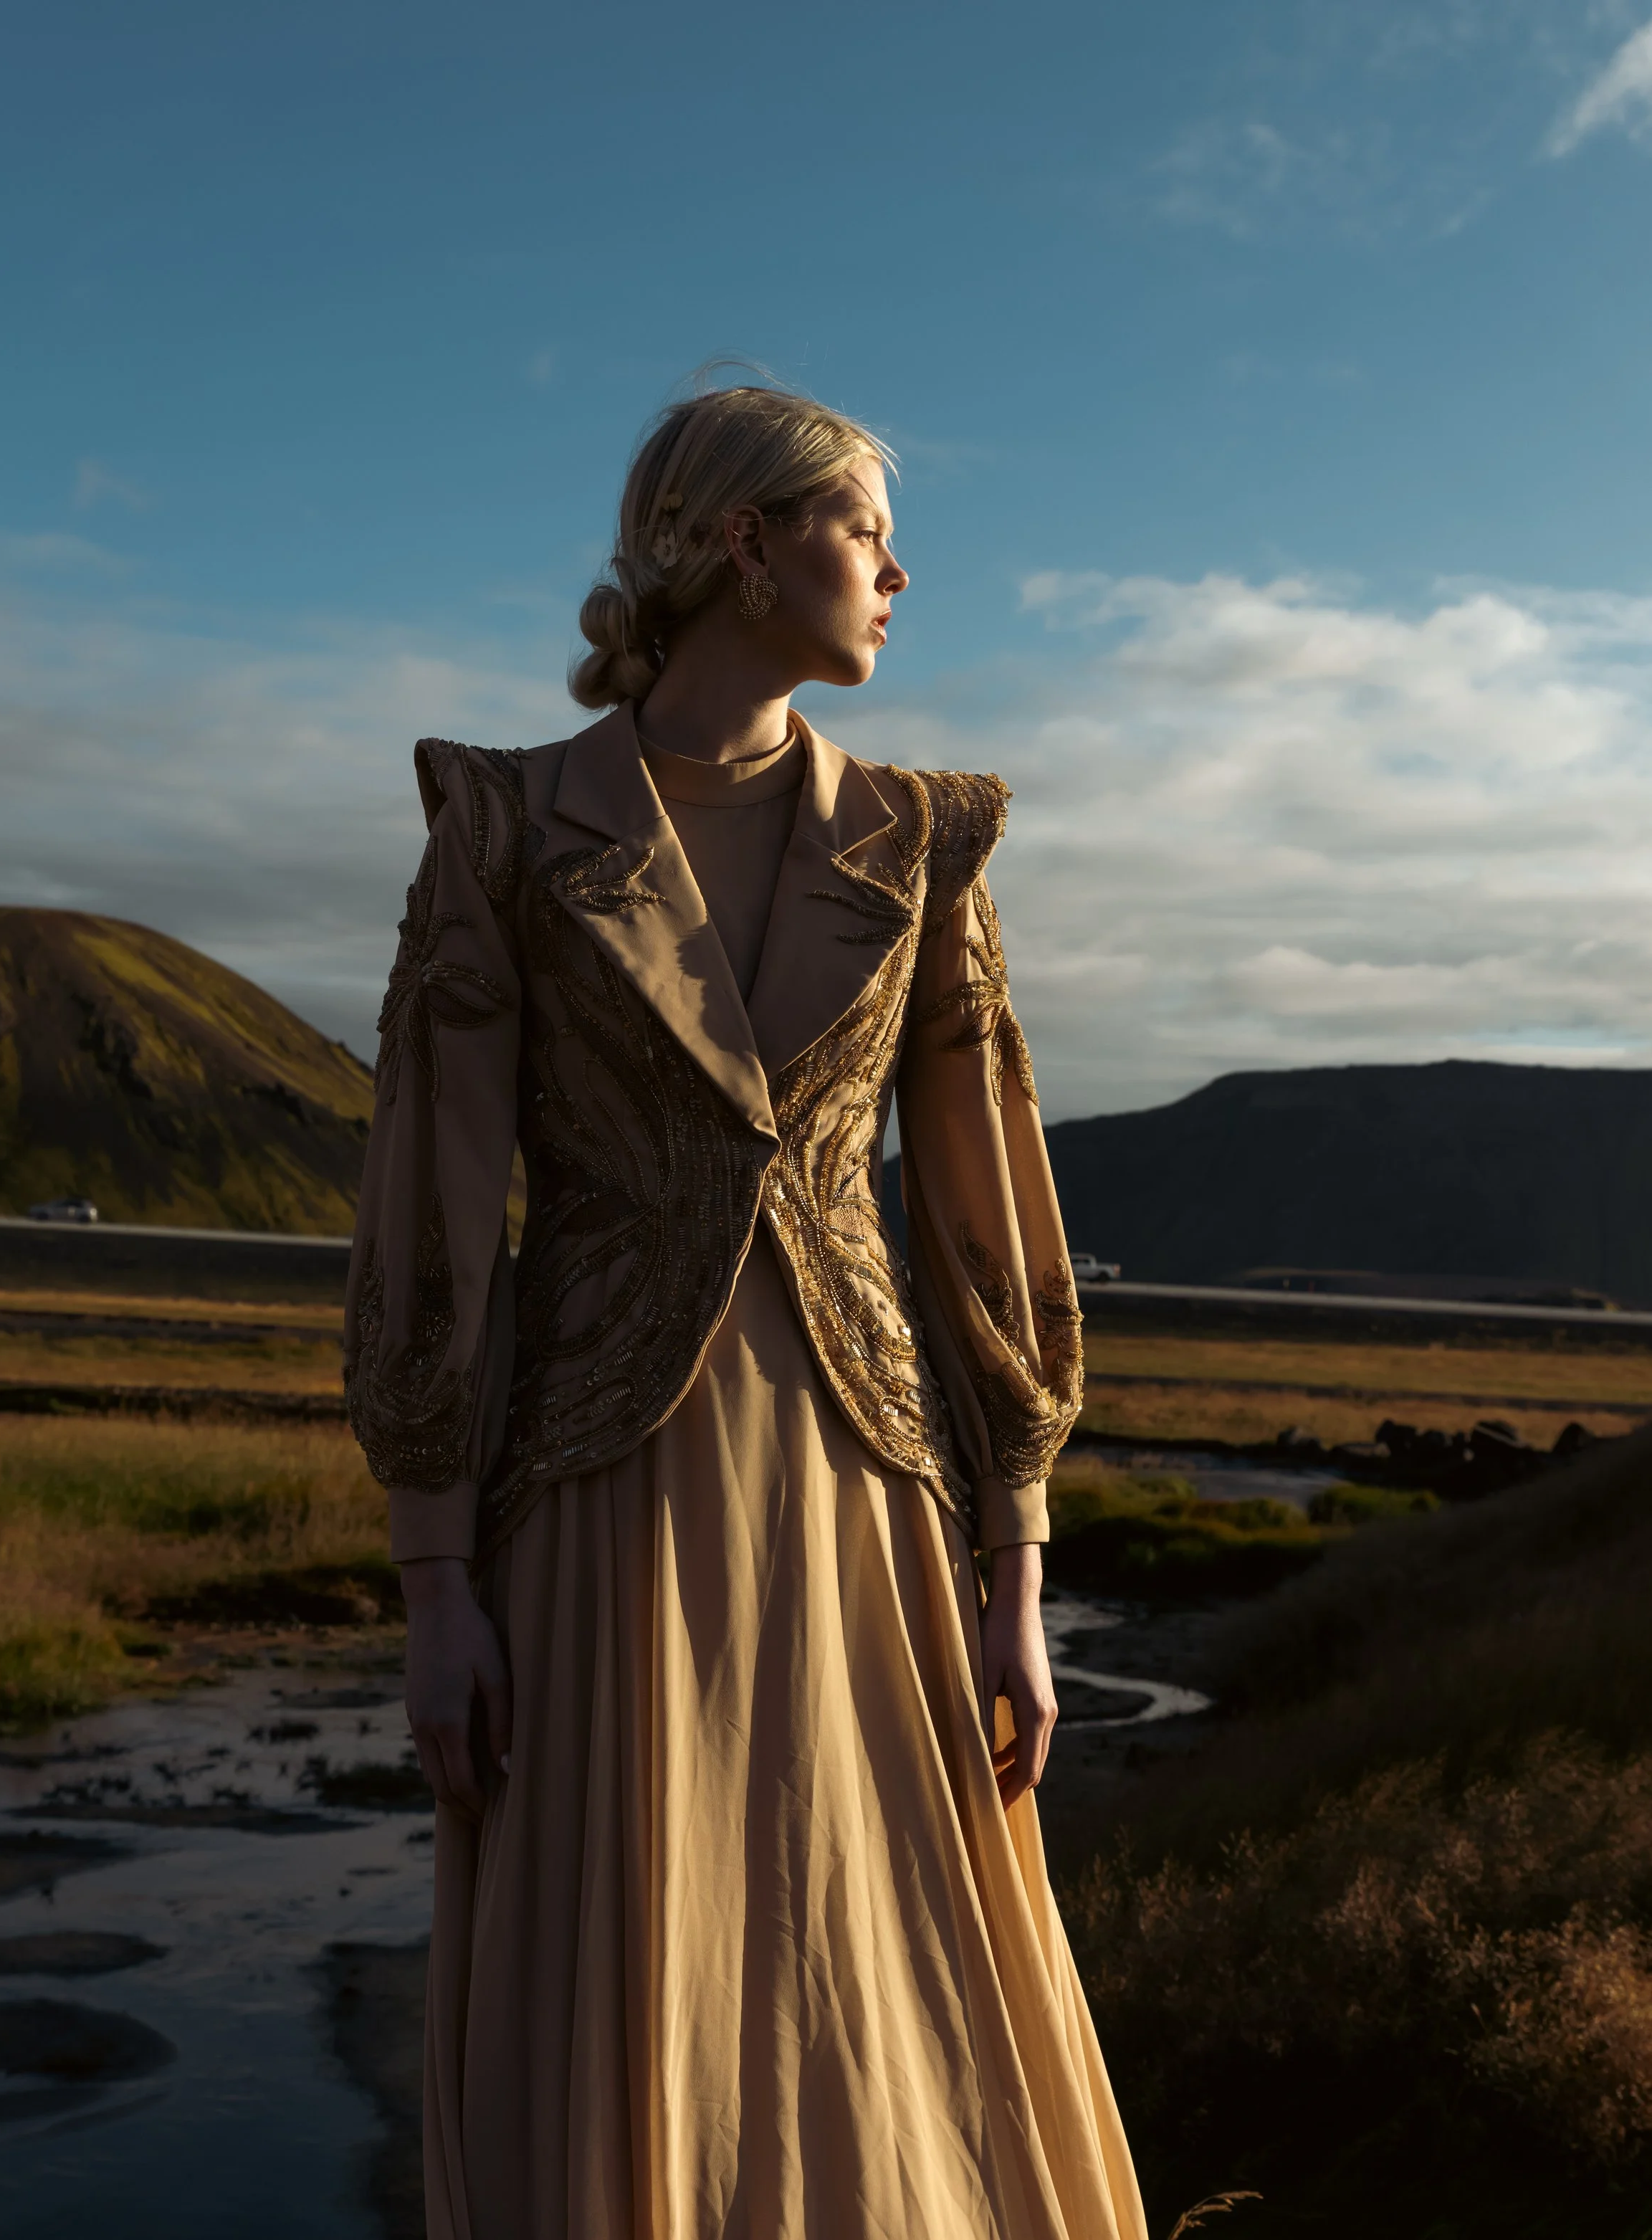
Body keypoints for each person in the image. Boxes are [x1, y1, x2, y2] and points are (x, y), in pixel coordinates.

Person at [343, 381, 1147, 2240]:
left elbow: (980, 1216)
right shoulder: (510, 829)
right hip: (596, 1508)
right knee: (623, 1987)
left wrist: (1016, 1571)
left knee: (873, 1982)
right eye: (867, 529)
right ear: (743, 542)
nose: (897, 571)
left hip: (860, 1500)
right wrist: (435, 1579)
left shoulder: (916, 841)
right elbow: (440, 1202)